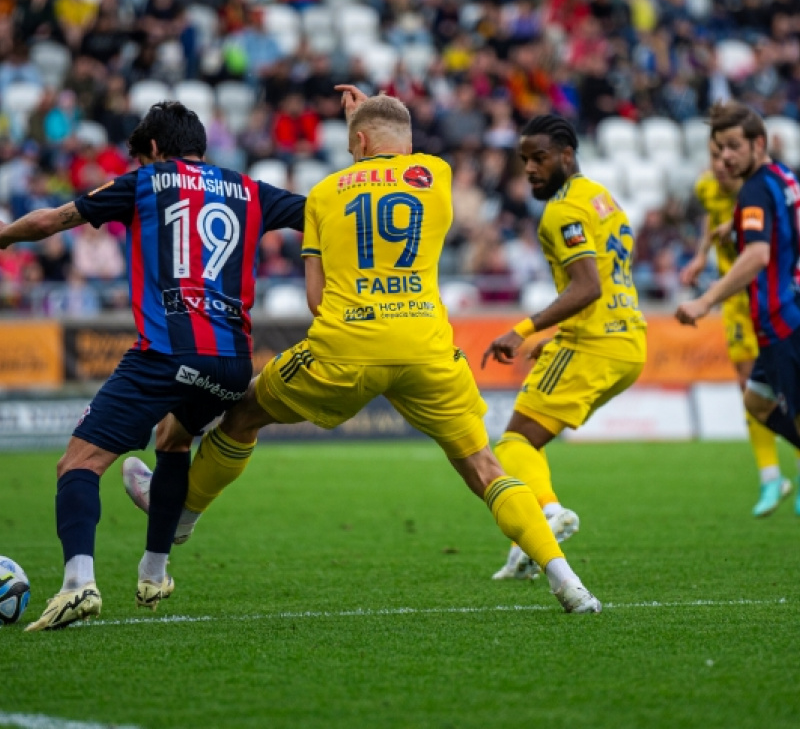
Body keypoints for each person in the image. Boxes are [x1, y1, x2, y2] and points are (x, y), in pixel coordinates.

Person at [125, 88, 602, 614]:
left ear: (357, 141)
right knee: (486, 468)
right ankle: (569, 583)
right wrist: (367, 120)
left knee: (242, 413)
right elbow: (392, 147)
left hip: (346, 346)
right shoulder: (436, 175)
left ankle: (182, 517)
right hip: (426, 348)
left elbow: (315, 297)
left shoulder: (326, 193)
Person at [0, 102, 306, 631]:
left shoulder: (147, 182)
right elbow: (323, 211)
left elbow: (53, 220)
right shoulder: (251, 189)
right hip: (232, 363)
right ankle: (153, 573)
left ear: (157, 151)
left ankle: (78, 584)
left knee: (77, 465)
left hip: (167, 350)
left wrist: (2, 237)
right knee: (172, 441)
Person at [481, 115, 647, 581]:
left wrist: (524, 330)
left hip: (593, 344)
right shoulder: (601, 198)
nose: (530, 169)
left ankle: (548, 517)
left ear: (566, 156)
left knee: (513, 442)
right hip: (627, 342)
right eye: (524, 160)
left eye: (539, 158)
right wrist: (554, 337)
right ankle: (524, 550)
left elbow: (588, 286)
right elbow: (610, 282)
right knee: (529, 443)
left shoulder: (561, 212)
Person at [677, 101, 800, 517]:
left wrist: (706, 299)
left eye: (733, 147)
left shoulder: (751, 190)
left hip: (780, 316)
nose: (725, 157)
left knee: (792, 410)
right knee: (756, 403)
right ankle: (773, 477)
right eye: (719, 149)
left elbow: (757, 256)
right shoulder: (783, 177)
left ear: (757, 144)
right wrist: (732, 228)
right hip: (776, 314)